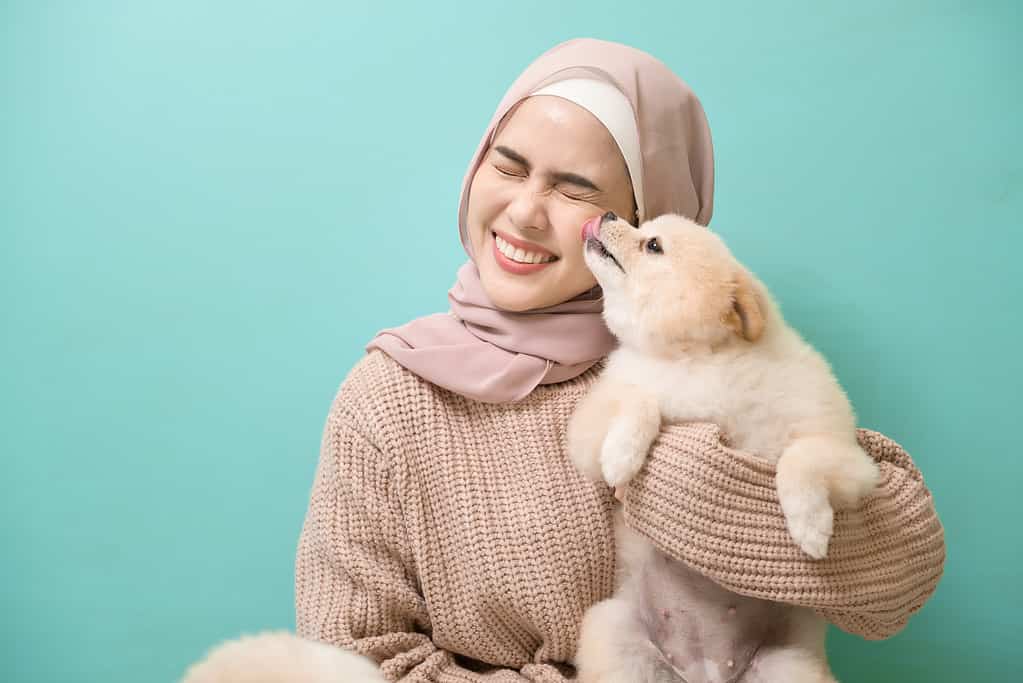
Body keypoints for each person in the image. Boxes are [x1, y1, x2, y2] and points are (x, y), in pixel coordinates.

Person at [294, 38, 945, 681]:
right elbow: (355, 659)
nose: (523, 212)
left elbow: (893, 585)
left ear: (644, 213)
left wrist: (685, 478)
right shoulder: (389, 396)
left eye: (574, 188)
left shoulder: (700, 355)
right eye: (508, 165)